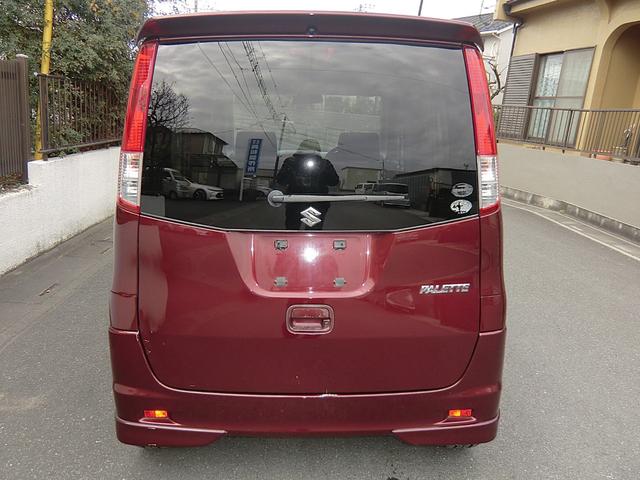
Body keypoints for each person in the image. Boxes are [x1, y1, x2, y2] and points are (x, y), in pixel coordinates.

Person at [276, 139, 339, 230]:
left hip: (296, 202)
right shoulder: (324, 163)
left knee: (292, 230)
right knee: (311, 232)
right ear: (318, 150)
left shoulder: (291, 162)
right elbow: (334, 182)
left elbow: (281, 181)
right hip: (315, 203)